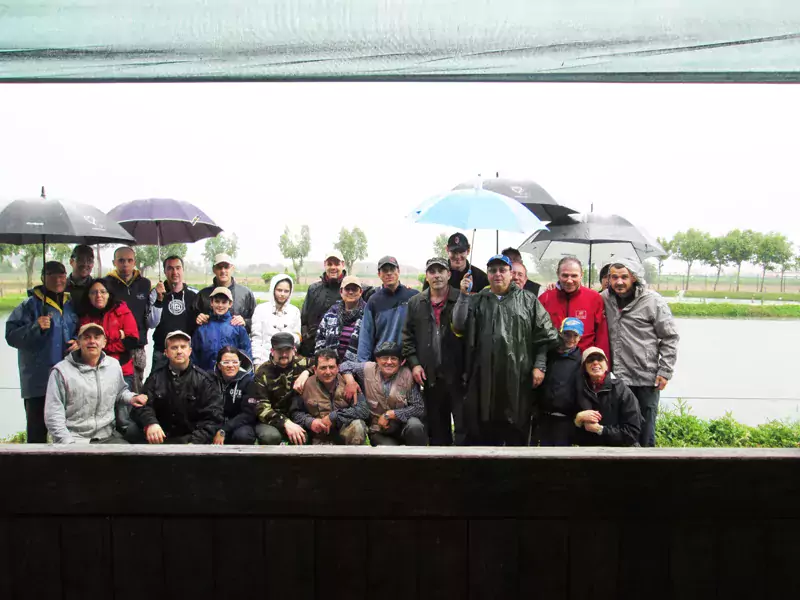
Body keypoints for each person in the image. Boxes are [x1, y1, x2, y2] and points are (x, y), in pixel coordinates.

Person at [452, 254, 558, 446]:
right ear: (487, 274)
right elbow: (459, 326)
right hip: (483, 377)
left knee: (516, 428)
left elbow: (545, 335)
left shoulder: (528, 300)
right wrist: (463, 295)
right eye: (493, 270)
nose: (498, 274)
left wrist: (540, 365)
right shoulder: (477, 300)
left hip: (518, 376)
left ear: (511, 274)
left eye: (502, 270)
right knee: (484, 429)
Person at [603, 257, 679, 447]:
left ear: (634, 278)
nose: (619, 282)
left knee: (645, 431)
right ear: (608, 279)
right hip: (617, 380)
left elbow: (670, 337)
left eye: (624, 277)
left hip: (646, 377)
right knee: (619, 432)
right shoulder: (604, 299)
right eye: (614, 277)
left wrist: (665, 371)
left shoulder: (652, 300)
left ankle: (646, 463)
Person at [5, 261, 79, 443]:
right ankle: (34, 461)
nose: (58, 280)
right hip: (38, 380)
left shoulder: (70, 304)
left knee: (68, 430)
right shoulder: (29, 305)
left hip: (67, 378)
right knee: (37, 430)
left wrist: (78, 341)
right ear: (43, 277)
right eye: (53, 275)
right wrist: (35, 326)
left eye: (62, 275)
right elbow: (11, 337)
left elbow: (79, 330)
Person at [44, 323, 147, 444]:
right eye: (87, 337)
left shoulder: (113, 365)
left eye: (97, 337)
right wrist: (67, 442)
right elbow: (53, 414)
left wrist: (132, 398)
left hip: (107, 436)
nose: (92, 341)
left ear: (104, 342)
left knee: (134, 452)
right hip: (75, 440)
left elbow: (120, 392)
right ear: (78, 342)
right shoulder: (61, 371)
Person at [402, 257, 465, 445]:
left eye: (441, 271)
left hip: (459, 376)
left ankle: (464, 461)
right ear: (427, 276)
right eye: (432, 271)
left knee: (463, 429)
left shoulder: (461, 299)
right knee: (437, 431)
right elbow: (407, 337)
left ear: (449, 274)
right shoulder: (416, 302)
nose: (437, 275)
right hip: (430, 377)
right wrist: (414, 364)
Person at [129, 330, 223, 444]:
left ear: (190, 351)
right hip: (161, 438)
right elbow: (141, 406)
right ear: (166, 352)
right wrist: (151, 423)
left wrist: (194, 442)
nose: (179, 351)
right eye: (174, 348)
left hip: (191, 440)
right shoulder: (155, 378)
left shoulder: (204, 380)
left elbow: (213, 417)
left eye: (183, 347)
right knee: (131, 431)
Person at [340, 341, 427, 446]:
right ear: (377, 359)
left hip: (403, 426)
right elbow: (345, 365)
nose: (389, 362)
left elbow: (418, 408)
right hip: (379, 430)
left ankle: (419, 456)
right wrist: (350, 382)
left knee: (415, 426)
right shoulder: (367, 369)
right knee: (390, 452)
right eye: (385, 358)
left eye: (393, 358)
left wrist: (390, 414)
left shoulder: (408, 375)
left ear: (401, 362)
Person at [289, 348, 368, 445]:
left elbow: (363, 410)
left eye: (331, 367)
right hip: (316, 435)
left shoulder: (349, 384)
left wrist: (334, 416)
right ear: (315, 370)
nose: (328, 372)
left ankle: (353, 455)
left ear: (338, 367)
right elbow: (294, 413)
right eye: (323, 368)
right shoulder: (305, 385)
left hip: (343, 434)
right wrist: (310, 422)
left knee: (358, 425)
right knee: (296, 431)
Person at [105, 246, 157, 392]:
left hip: (138, 345)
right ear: (114, 262)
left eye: (129, 260)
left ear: (134, 262)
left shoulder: (144, 284)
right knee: (112, 389)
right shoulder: (106, 283)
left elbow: (149, 313)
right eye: (121, 260)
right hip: (114, 346)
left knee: (136, 389)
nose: (125, 264)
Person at [538, 257, 610, 359]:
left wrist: (601, 361)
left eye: (574, 276)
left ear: (581, 275)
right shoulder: (545, 298)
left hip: (585, 360)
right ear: (558, 274)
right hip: (553, 360)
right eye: (565, 275)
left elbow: (602, 335)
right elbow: (539, 335)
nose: (569, 280)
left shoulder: (594, 298)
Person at [250, 332, 313, 445]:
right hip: (270, 419)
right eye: (279, 350)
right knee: (271, 437)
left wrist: (306, 372)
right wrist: (285, 423)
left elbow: (321, 364)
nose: (284, 354)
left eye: (287, 350)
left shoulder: (302, 363)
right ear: (272, 351)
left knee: (304, 436)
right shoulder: (262, 372)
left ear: (294, 350)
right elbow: (261, 408)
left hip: (296, 415)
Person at [78, 278, 139, 390]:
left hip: (121, 370)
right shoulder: (85, 316)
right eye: (93, 292)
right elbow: (84, 344)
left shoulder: (122, 311)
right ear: (88, 296)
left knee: (123, 400)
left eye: (103, 292)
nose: (98, 296)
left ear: (109, 294)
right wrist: (117, 336)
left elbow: (132, 341)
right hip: (92, 370)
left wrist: (101, 346)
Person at [573, 347, 642, 447]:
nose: (595, 362)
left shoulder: (622, 390)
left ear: (606, 365)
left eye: (600, 359)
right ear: (584, 367)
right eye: (590, 360)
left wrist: (601, 430)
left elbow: (632, 432)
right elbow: (572, 434)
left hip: (622, 450)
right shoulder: (578, 390)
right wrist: (578, 419)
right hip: (590, 451)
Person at [356, 255, 418, 361]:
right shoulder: (374, 301)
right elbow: (366, 335)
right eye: (385, 270)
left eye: (392, 269)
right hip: (382, 361)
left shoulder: (413, 296)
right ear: (379, 274)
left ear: (398, 271)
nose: (389, 273)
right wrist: (362, 363)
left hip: (408, 360)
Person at [535, 318, 584, 446]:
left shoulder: (582, 361)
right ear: (560, 333)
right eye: (567, 334)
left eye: (575, 335)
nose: (571, 339)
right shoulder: (549, 355)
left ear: (580, 337)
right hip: (543, 417)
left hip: (566, 421)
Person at [151, 255, 199, 371]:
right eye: (170, 268)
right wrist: (159, 300)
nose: (174, 272)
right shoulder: (155, 293)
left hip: (186, 352)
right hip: (162, 352)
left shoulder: (194, 295)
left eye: (178, 268)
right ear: (164, 271)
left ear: (183, 270)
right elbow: (151, 323)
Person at [192, 287, 252, 372]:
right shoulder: (202, 328)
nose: (220, 305)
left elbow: (247, 354)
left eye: (224, 302)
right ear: (211, 302)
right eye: (217, 301)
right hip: (206, 375)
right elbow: (194, 356)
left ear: (230, 304)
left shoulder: (237, 326)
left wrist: (246, 376)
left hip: (230, 376)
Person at [300, 249, 347, 356]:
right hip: (313, 348)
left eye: (337, 264)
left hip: (340, 350)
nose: (333, 267)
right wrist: (306, 337)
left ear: (343, 265)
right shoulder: (313, 289)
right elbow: (304, 318)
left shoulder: (350, 289)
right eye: (330, 264)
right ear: (325, 265)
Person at [195, 253, 256, 334]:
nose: (223, 271)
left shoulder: (246, 294)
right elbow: (191, 323)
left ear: (232, 268)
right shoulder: (202, 295)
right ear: (214, 269)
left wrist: (245, 322)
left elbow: (256, 321)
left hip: (238, 340)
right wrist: (198, 319)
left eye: (226, 267)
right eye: (219, 267)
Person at [251, 273, 301, 368]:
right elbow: (256, 338)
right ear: (273, 289)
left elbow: (297, 336)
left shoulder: (294, 311)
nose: (282, 294)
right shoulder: (260, 309)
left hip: (287, 361)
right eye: (279, 290)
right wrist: (257, 362)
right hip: (264, 360)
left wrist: (286, 340)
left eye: (286, 291)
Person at [211, 345, 258, 445]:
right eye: (226, 362)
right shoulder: (210, 380)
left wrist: (224, 429)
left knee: (243, 435)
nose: (231, 365)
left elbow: (248, 414)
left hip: (238, 424)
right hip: (215, 421)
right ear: (219, 365)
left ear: (239, 364)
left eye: (235, 362)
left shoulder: (248, 382)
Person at [314, 275, 367, 363]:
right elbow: (320, 338)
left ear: (361, 292)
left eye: (354, 289)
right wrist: (323, 361)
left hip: (358, 366)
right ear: (341, 291)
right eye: (347, 289)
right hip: (330, 366)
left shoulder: (368, 313)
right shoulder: (331, 312)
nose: (351, 292)